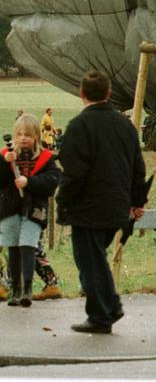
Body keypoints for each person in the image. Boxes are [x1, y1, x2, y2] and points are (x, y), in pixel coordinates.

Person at [57, 70, 147, 334]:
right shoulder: (125, 126)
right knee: (97, 258)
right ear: (109, 93)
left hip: (87, 207)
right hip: (118, 205)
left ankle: (100, 315)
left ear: (81, 93)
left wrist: (64, 201)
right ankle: (111, 305)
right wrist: (137, 200)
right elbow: (137, 168)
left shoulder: (78, 126)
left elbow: (74, 173)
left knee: (89, 261)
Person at [2, 114, 60, 308]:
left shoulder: (45, 160)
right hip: (10, 210)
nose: (23, 138)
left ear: (36, 136)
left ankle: (27, 288)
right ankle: (15, 289)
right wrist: (4, 163)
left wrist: (29, 182)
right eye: (19, 134)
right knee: (13, 247)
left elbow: (52, 181)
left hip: (34, 210)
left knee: (28, 246)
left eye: (28, 134)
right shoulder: (7, 156)